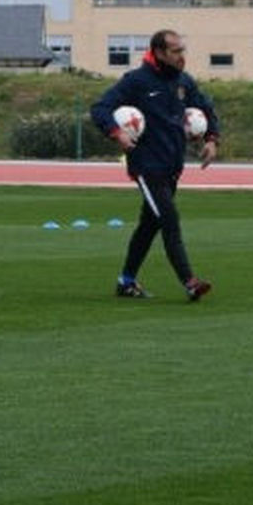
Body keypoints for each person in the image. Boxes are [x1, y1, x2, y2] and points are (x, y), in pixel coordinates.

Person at [90, 29, 220, 301]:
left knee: (149, 226)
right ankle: (190, 282)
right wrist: (117, 132)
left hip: (172, 167)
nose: (181, 56)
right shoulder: (136, 81)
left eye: (182, 50)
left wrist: (211, 139)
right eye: (175, 51)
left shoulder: (184, 82)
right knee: (169, 219)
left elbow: (206, 109)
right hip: (147, 167)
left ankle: (126, 281)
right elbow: (100, 108)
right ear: (159, 53)